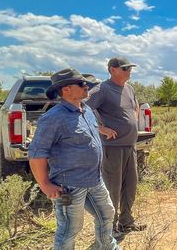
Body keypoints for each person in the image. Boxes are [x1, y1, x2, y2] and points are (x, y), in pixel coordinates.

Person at [28, 68, 119, 250]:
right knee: (70, 228)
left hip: (94, 180)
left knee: (107, 214)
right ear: (66, 90)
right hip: (68, 185)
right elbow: (37, 153)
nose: (86, 87)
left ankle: (107, 247)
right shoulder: (53, 118)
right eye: (81, 84)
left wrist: (103, 130)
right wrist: (45, 184)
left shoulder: (86, 110)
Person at [85, 56, 145, 234]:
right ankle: (109, 228)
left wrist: (132, 119)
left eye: (130, 68)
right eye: (125, 68)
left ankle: (126, 222)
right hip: (113, 147)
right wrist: (100, 129)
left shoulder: (129, 88)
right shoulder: (102, 89)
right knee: (113, 187)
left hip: (130, 146)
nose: (129, 71)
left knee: (130, 186)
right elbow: (82, 109)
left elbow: (135, 106)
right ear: (112, 69)